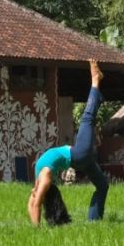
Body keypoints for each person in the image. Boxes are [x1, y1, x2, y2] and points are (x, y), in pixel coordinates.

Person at [28, 60, 108, 226]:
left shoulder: (38, 186)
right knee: (87, 119)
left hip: (82, 161)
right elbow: (35, 204)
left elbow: (32, 204)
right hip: (79, 155)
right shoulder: (46, 178)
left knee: (102, 185)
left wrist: (34, 226)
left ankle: (94, 222)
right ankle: (95, 80)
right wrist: (36, 231)